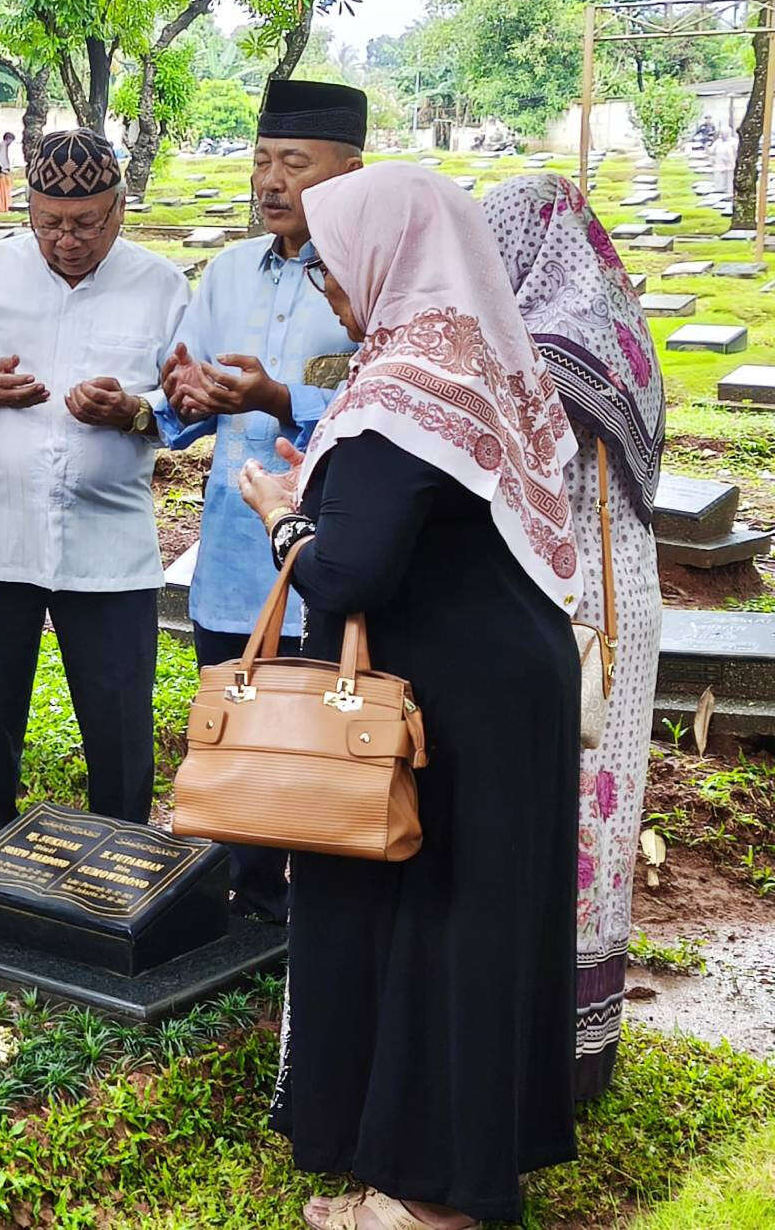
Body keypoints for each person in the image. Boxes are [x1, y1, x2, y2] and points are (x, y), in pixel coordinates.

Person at [237, 163, 581, 1230]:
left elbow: (345, 578)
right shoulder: (474, 359)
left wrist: (280, 511)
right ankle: (462, 1168)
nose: (328, 284)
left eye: (333, 258)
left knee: (435, 931)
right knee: (475, 928)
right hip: (498, 683)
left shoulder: (401, 390)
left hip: (443, 709)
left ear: (388, 253)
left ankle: (428, 1201)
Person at [0, 129, 188, 848]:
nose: (65, 240)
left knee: (119, 719)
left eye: (85, 224)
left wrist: (135, 411)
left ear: (120, 211)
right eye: (48, 223)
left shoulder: (161, 286)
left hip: (110, 548)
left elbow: (189, 401)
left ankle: (125, 860)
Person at [155, 78, 365, 921]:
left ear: (349, 173)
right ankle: (242, 888)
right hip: (234, 548)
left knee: (309, 720)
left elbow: (380, 402)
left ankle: (300, 897)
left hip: (322, 545)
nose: (270, 182)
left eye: (294, 164)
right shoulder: (230, 271)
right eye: (261, 162)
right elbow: (185, 405)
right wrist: (180, 397)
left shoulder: (365, 276)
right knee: (234, 712)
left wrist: (283, 400)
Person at [484, 172, 664, 1101]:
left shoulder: (539, 350)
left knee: (556, 819)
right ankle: (585, 1049)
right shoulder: (621, 336)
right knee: (605, 814)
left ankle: (540, 1051)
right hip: (627, 605)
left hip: (564, 603)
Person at [0, 131, 16, 214]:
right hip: (1, 172)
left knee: (2, 191)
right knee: (3, 192)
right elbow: (0, 159)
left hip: (0, 172)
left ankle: (3, 207)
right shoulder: (2, 146)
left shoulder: (3, 146)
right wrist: (5, 169)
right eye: (11, 141)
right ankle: (3, 208)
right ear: (8, 139)